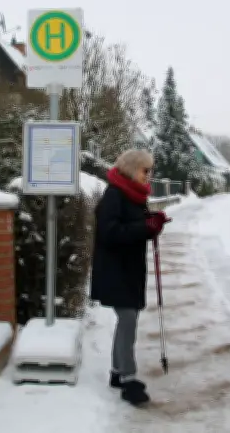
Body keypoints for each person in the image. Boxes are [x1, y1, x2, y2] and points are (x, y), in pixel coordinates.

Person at [90, 149, 170, 406]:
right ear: (132, 169)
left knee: (127, 319)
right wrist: (145, 227)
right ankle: (128, 378)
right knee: (127, 320)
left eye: (150, 170)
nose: (149, 175)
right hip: (115, 269)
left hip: (129, 269)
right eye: (145, 170)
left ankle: (117, 372)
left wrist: (151, 222)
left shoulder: (133, 194)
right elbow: (110, 232)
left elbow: (133, 224)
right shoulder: (114, 194)